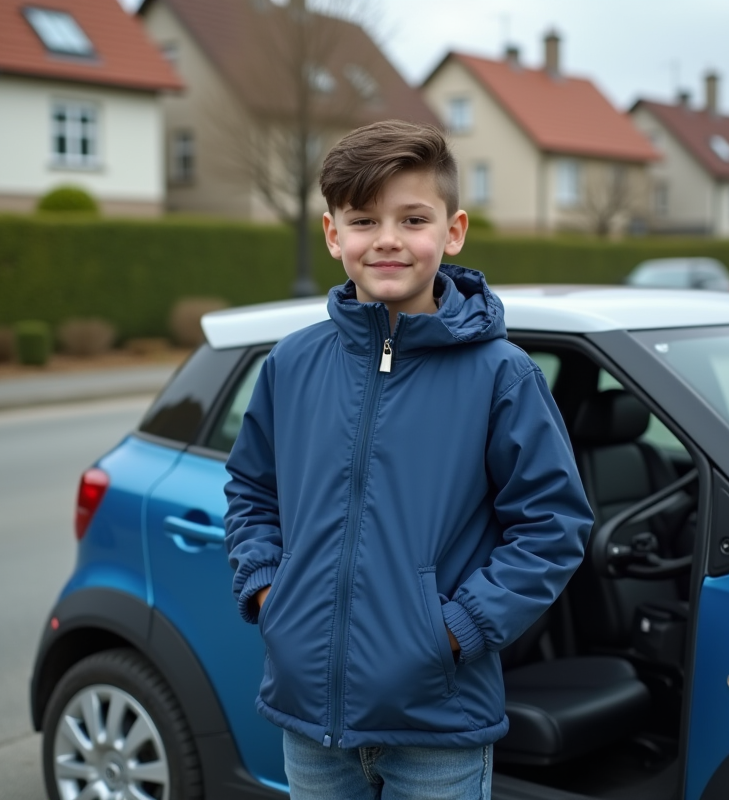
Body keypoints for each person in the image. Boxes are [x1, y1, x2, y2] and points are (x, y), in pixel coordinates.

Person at [224, 119, 592, 799]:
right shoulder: (293, 364)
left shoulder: (501, 377)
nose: (388, 238)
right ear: (334, 235)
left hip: (437, 724)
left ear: (452, 232)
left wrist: (452, 632)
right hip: (311, 722)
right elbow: (251, 489)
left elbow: (551, 527)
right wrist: (271, 593)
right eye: (364, 219)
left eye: (412, 218)